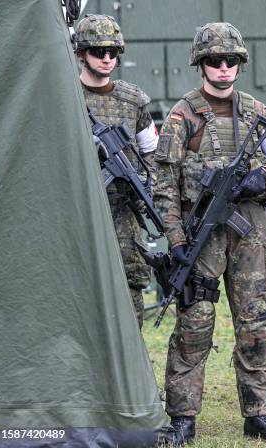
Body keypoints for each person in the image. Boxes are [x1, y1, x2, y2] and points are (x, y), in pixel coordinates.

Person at [153, 22, 266, 445]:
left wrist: (263, 176)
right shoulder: (183, 114)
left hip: (250, 234)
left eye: (230, 60)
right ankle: (182, 416)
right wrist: (177, 240)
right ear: (201, 64)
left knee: (256, 325)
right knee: (194, 327)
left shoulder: (258, 112)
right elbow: (164, 184)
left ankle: (260, 413)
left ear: (240, 64)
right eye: (215, 61)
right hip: (200, 236)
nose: (223, 68)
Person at [74, 14, 158, 329]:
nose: (107, 58)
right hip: (80, 210)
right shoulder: (67, 96)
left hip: (124, 210)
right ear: (81, 54)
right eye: (98, 52)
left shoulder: (133, 99)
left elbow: (152, 153)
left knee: (131, 286)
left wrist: (144, 189)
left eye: (113, 52)